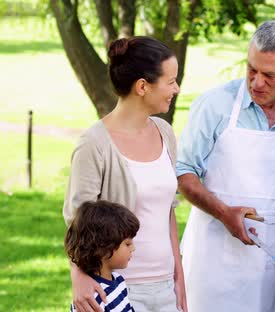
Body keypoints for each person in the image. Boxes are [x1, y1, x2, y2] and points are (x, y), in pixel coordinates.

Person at [176, 20, 275, 311]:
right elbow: (183, 173)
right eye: (251, 69)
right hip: (215, 261)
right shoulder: (214, 105)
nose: (256, 82)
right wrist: (225, 213)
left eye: (270, 75)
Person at [63, 36, 187, 312]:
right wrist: (78, 276)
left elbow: (168, 210)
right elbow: (77, 221)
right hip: (117, 290)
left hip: (165, 287)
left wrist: (179, 277)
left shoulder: (165, 133)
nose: (176, 88)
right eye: (170, 81)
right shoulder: (94, 145)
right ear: (142, 86)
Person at [65, 200, 140, 312]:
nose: (133, 248)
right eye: (127, 244)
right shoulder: (92, 298)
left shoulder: (119, 281)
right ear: (103, 247)